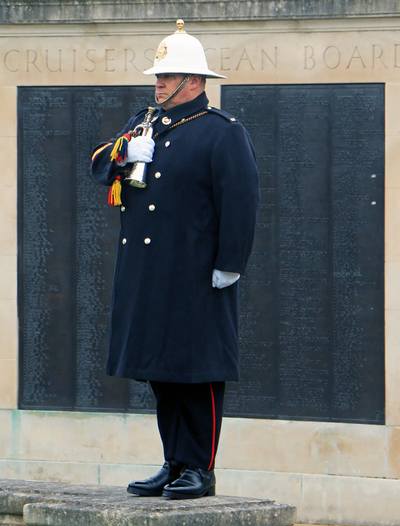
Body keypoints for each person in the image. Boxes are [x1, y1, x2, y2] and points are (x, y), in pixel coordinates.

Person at [91, 19, 260, 500]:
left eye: (167, 77)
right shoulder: (143, 124)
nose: (158, 83)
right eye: (158, 77)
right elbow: (99, 165)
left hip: (195, 274)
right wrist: (125, 152)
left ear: (195, 82)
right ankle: (173, 461)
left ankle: (200, 469)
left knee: (197, 372)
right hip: (149, 275)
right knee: (162, 371)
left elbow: (241, 203)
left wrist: (230, 263)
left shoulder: (222, 132)